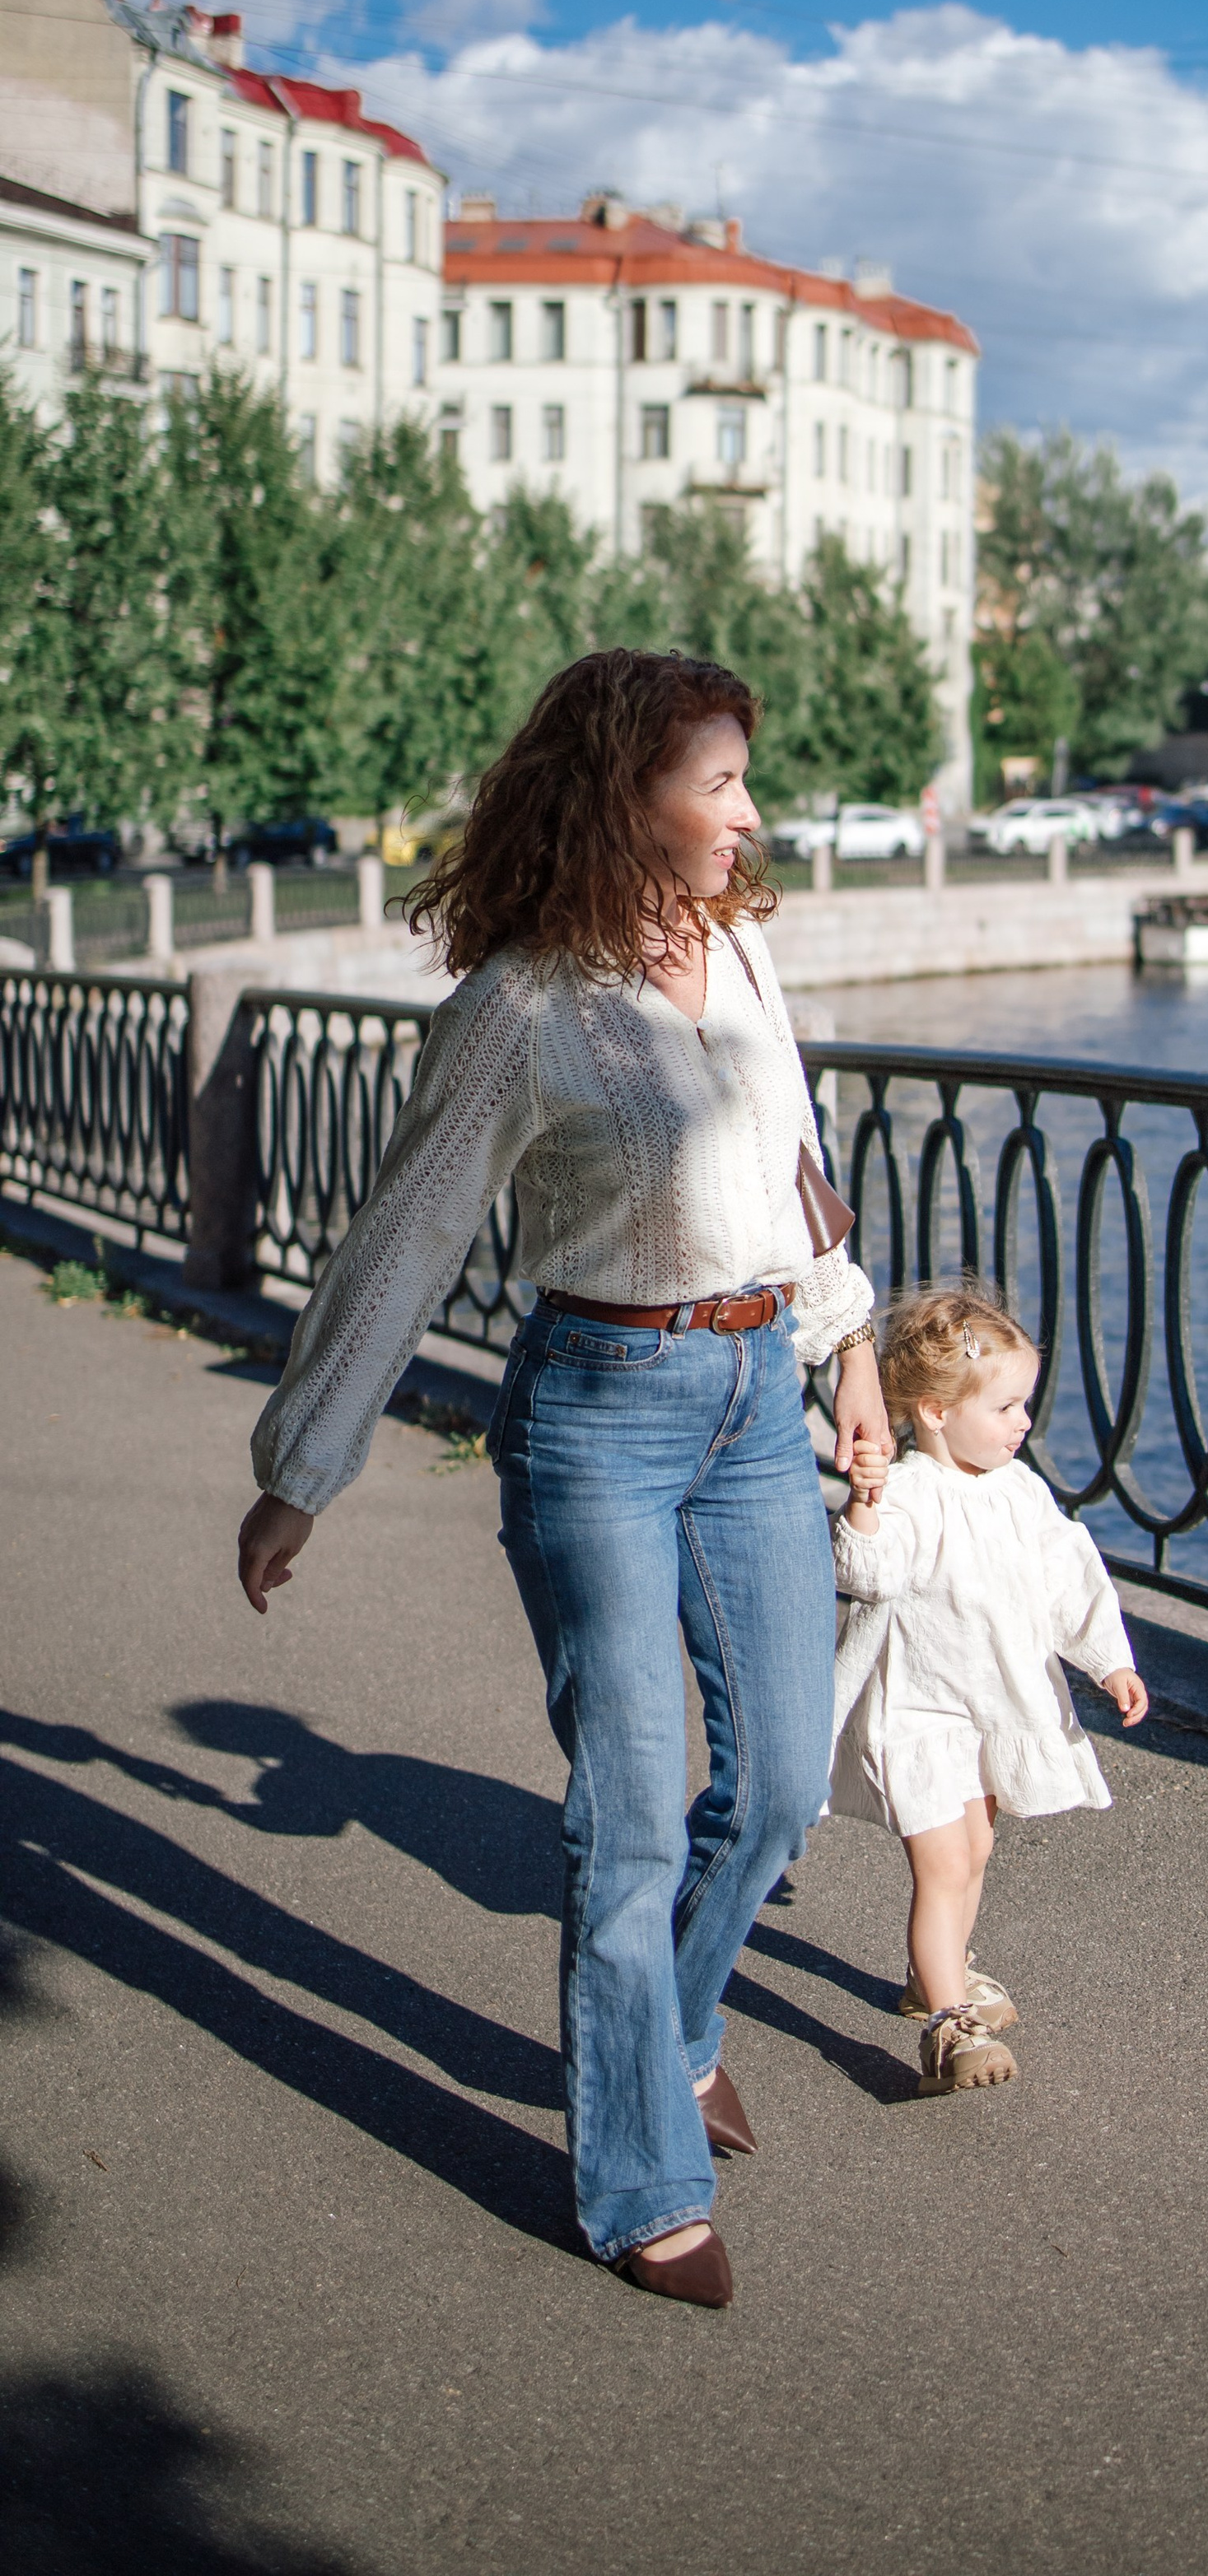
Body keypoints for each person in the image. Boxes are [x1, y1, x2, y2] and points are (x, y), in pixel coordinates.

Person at [234, 650, 890, 2308]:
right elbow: (405, 1237)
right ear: (626, 795)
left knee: (784, 1784)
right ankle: (639, 2183)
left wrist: (852, 1353)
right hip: (600, 1411)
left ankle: (675, 2032)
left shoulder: (741, 951)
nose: (748, 810)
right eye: (719, 781)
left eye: (743, 776)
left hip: (757, 1395)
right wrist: (303, 1468)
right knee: (632, 1808)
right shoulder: (523, 1008)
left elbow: (794, 1164)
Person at [828, 1281, 1147, 2097]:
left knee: (975, 1851)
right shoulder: (908, 1493)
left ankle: (938, 1973)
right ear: (936, 1412)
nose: (1023, 1422)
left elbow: (1068, 1576)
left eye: (1024, 1404)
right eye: (1005, 1407)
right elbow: (867, 1574)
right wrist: (864, 1504)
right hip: (918, 1713)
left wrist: (1108, 1661)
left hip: (993, 1707)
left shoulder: (1019, 1491)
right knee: (943, 1866)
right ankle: (949, 2024)